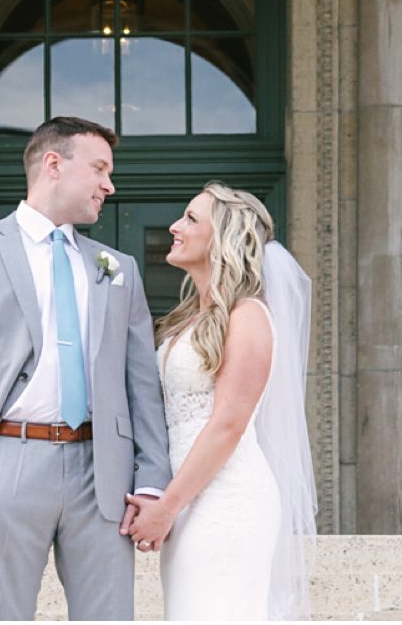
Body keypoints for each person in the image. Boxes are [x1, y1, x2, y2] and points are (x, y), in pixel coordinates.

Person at [0, 116, 172, 621]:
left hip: (102, 474)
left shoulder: (118, 267)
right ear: (53, 164)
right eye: (99, 168)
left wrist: (151, 480)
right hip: (6, 461)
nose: (109, 185)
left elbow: (142, 384)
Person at [123, 184, 316, 621]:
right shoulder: (187, 318)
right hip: (187, 500)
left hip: (228, 501)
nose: (175, 226)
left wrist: (166, 508)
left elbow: (228, 424)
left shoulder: (247, 317)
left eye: (191, 219)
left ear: (223, 239)